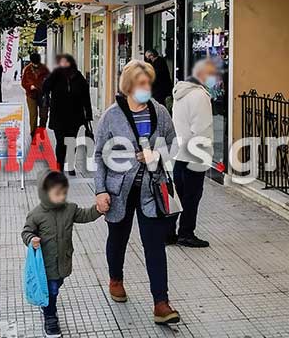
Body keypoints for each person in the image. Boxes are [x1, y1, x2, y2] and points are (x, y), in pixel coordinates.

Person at [94, 59, 181, 325]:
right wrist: (100, 191)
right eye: (142, 83)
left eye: (148, 83)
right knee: (118, 239)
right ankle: (116, 278)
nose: (147, 88)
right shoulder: (111, 115)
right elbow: (99, 155)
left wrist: (156, 154)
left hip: (151, 190)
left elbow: (174, 145)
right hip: (119, 190)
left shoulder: (159, 112)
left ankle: (161, 303)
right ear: (129, 86)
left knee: (155, 245)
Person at [22, 170, 108, 338]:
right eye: (57, 194)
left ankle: (48, 304)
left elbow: (84, 215)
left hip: (63, 259)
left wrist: (98, 210)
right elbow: (26, 232)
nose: (61, 197)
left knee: (57, 284)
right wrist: (31, 239)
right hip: (46, 263)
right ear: (45, 193)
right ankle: (50, 317)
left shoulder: (69, 209)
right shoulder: (36, 215)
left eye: (63, 193)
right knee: (52, 290)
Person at [165, 59, 217, 248]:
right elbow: (201, 128)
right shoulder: (199, 96)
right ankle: (186, 233)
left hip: (180, 152)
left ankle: (168, 233)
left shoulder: (180, 94)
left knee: (178, 195)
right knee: (192, 196)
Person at [43, 54, 93, 176]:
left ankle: (70, 165)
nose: (64, 65)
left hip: (74, 116)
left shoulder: (78, 76)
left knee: (71, 142)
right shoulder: (55, 76)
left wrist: (88, 115)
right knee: (60, 143)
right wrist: (54, 74)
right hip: (58, 116)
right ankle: (59, 166)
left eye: (67, 62)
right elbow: (45, 87)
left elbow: (86, 97)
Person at [21, 53, 50, 137]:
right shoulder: (27, 69)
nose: (36, 65)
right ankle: (33, 133)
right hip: (31, 95)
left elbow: (50, 80)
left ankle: (42, 130)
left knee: (44, 115)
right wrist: (30, 86)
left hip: (43, 95)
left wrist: (44, 87)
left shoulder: (45, 69)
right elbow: (23, 83)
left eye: (37, 63)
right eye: (34, 63)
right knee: (33, 115)